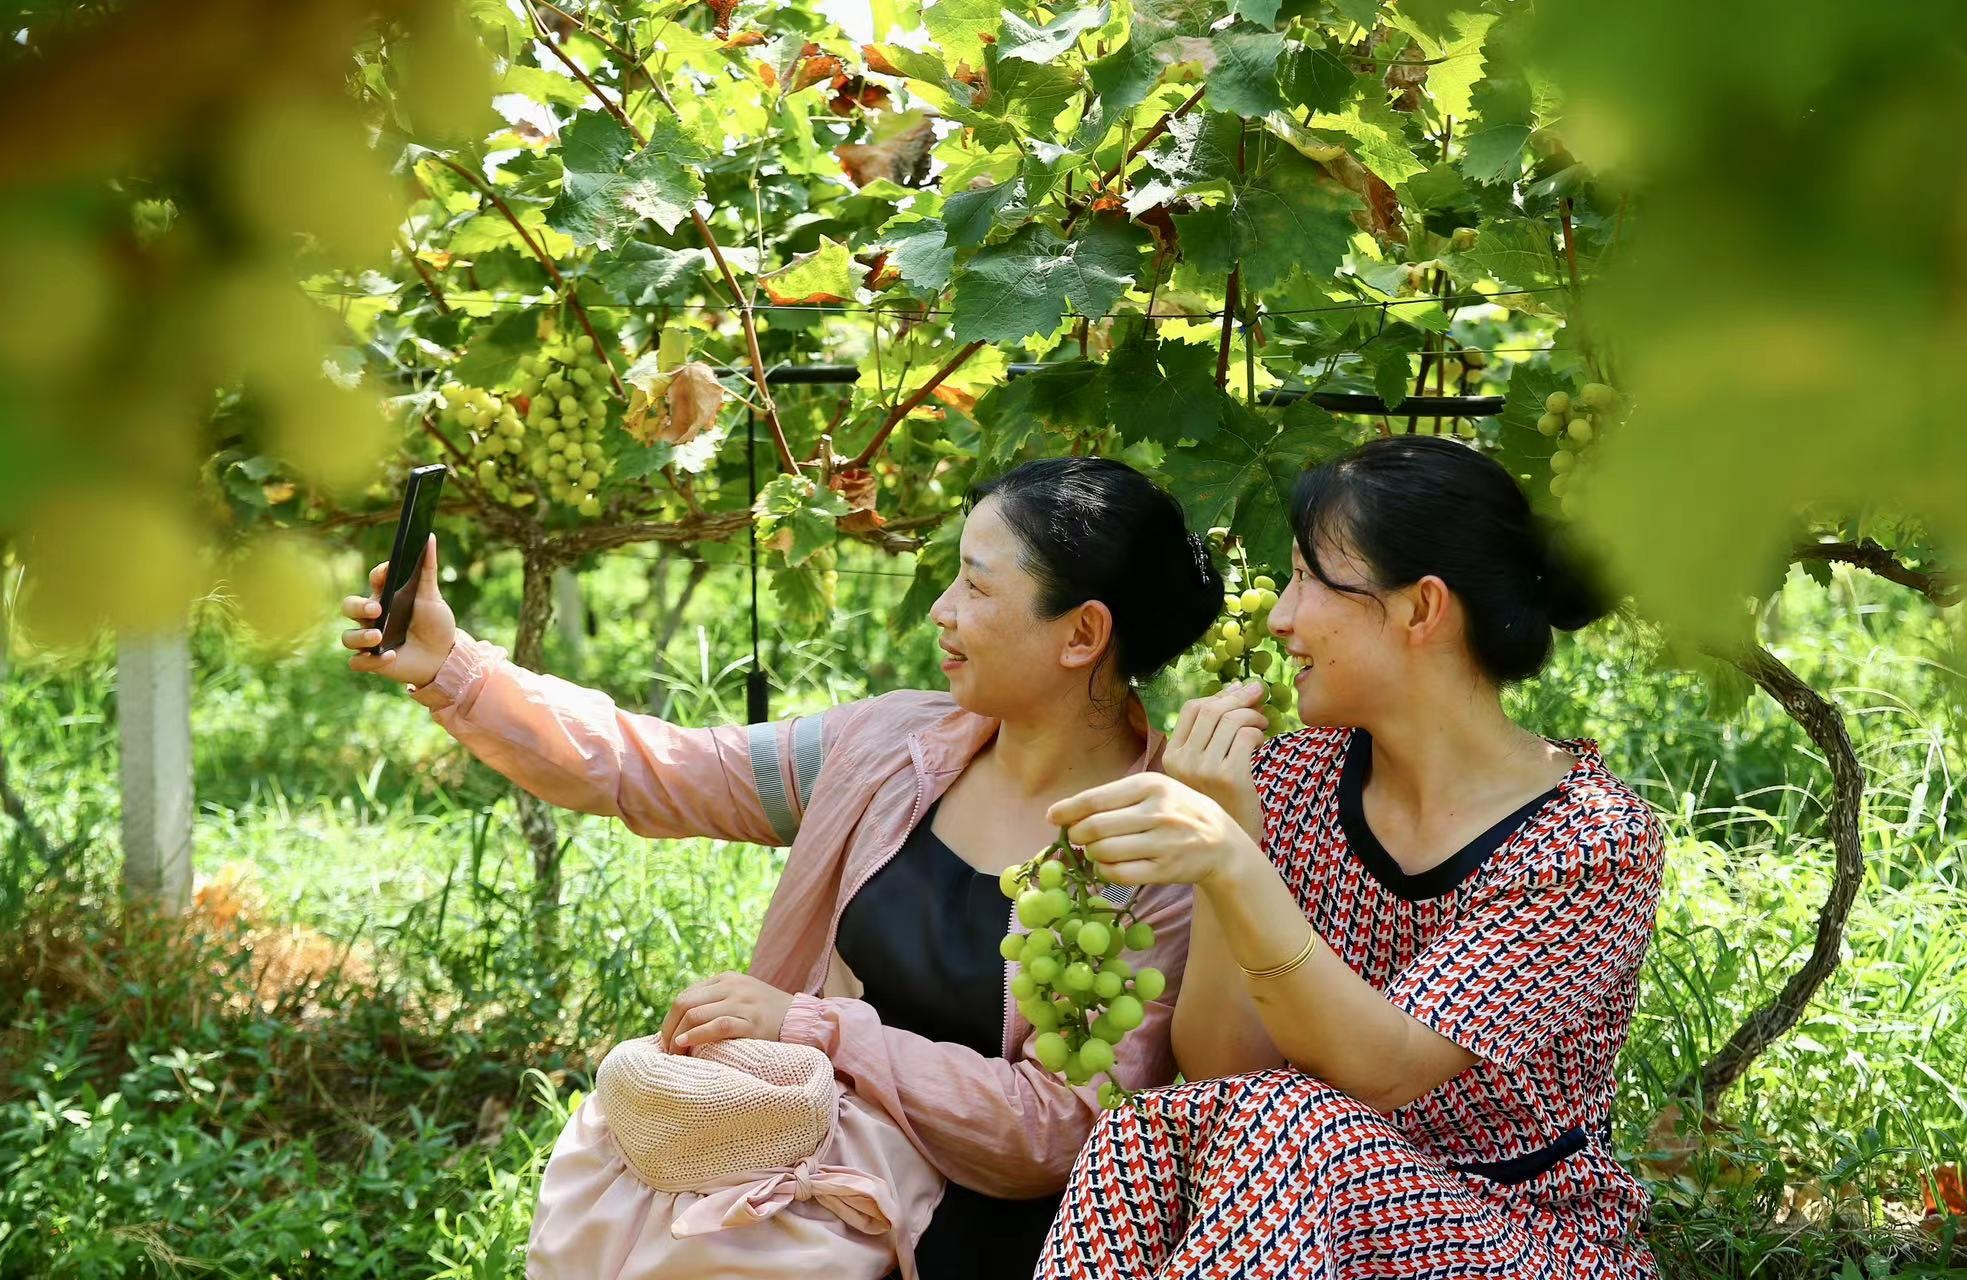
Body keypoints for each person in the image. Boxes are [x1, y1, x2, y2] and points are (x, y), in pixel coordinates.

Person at [337, 456, 1219, 1278]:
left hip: (966, 1228)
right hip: (809, 1165)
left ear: (1082, 635)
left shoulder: (1149, 849)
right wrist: (453, 671)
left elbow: (1062, 1130)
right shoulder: (887, 749)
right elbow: (664, 768)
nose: (940, 610)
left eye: (975, 585)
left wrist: (816, 1028)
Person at [1032, 435, 1667, 1278]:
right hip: (1290, 1205)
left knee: (1296, 1119)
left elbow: (1381, 1070)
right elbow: (1223, 1069)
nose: (1282, 617)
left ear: (1419, 609)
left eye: (1308, 578)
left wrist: (1232, 862)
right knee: (1145, 1127)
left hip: (1516, 1233)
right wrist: (1236, 829)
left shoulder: (1588, 839)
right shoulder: (1291, 780)